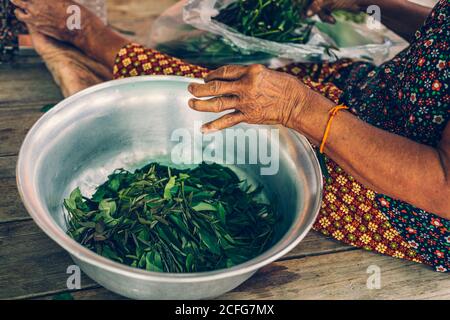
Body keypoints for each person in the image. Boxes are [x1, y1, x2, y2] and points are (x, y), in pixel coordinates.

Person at [11, 0, 449, 271]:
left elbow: (442, 188)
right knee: (250, 74)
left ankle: (87, 40)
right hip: (378, 94)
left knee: (220, 96)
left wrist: (300, 108)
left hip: (400, 191)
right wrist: (377, 4)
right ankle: (98, 67)